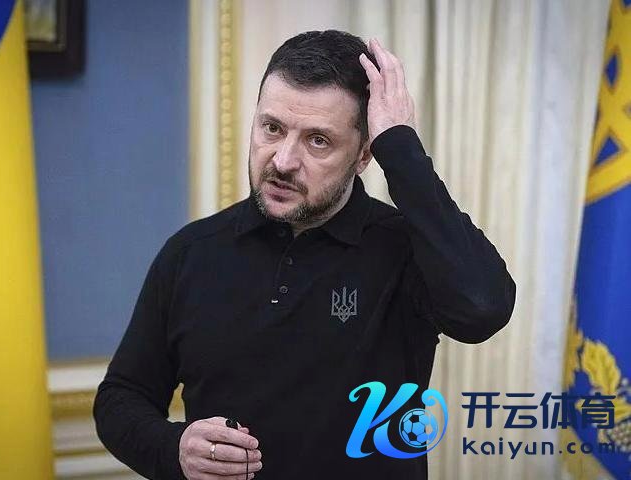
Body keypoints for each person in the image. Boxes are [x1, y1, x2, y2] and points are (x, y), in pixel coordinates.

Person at [93, 30, 516, 480]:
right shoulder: (189, 253)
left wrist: (400, 147)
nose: (282, 161)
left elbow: (482, 307)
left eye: (318, 141)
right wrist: (174, 448)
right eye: (272, 128)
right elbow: (121, 398)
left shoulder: (406, 250)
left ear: (364, 155)